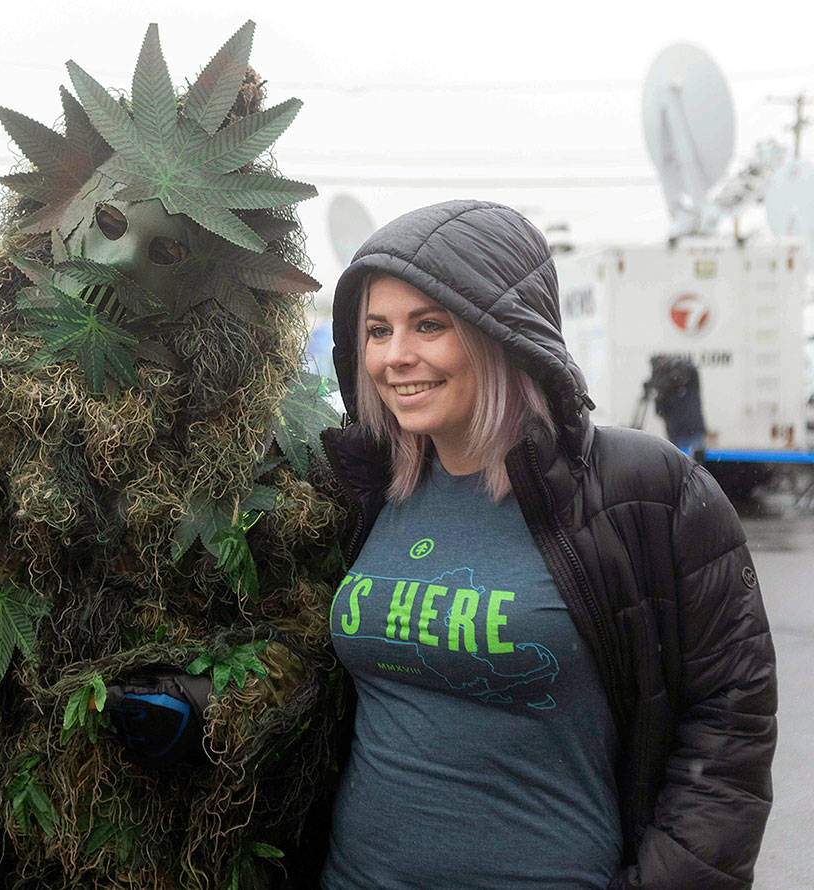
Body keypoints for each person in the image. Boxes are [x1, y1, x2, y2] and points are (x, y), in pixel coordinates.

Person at [320, 200, 776, 889]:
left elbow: (730, 729)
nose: (395, 356)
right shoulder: (367, 492)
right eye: (377, 331)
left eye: (430, 325)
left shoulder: (644, 489)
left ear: (503, 333)